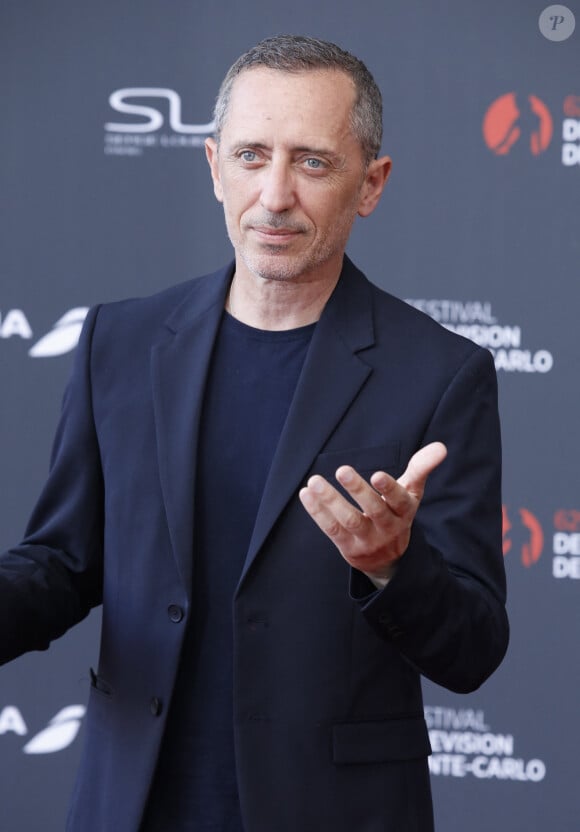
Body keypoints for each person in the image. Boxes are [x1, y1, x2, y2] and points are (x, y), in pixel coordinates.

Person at [0, 34, 508, 832]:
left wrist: (392, 568)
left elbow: (474, 648)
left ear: (370, 184)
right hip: (130, 802)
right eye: (249, 156)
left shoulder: (441, 374)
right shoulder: (119, 342)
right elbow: (63, 563)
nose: (273, 195)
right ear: (212, 167)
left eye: (311, 162)